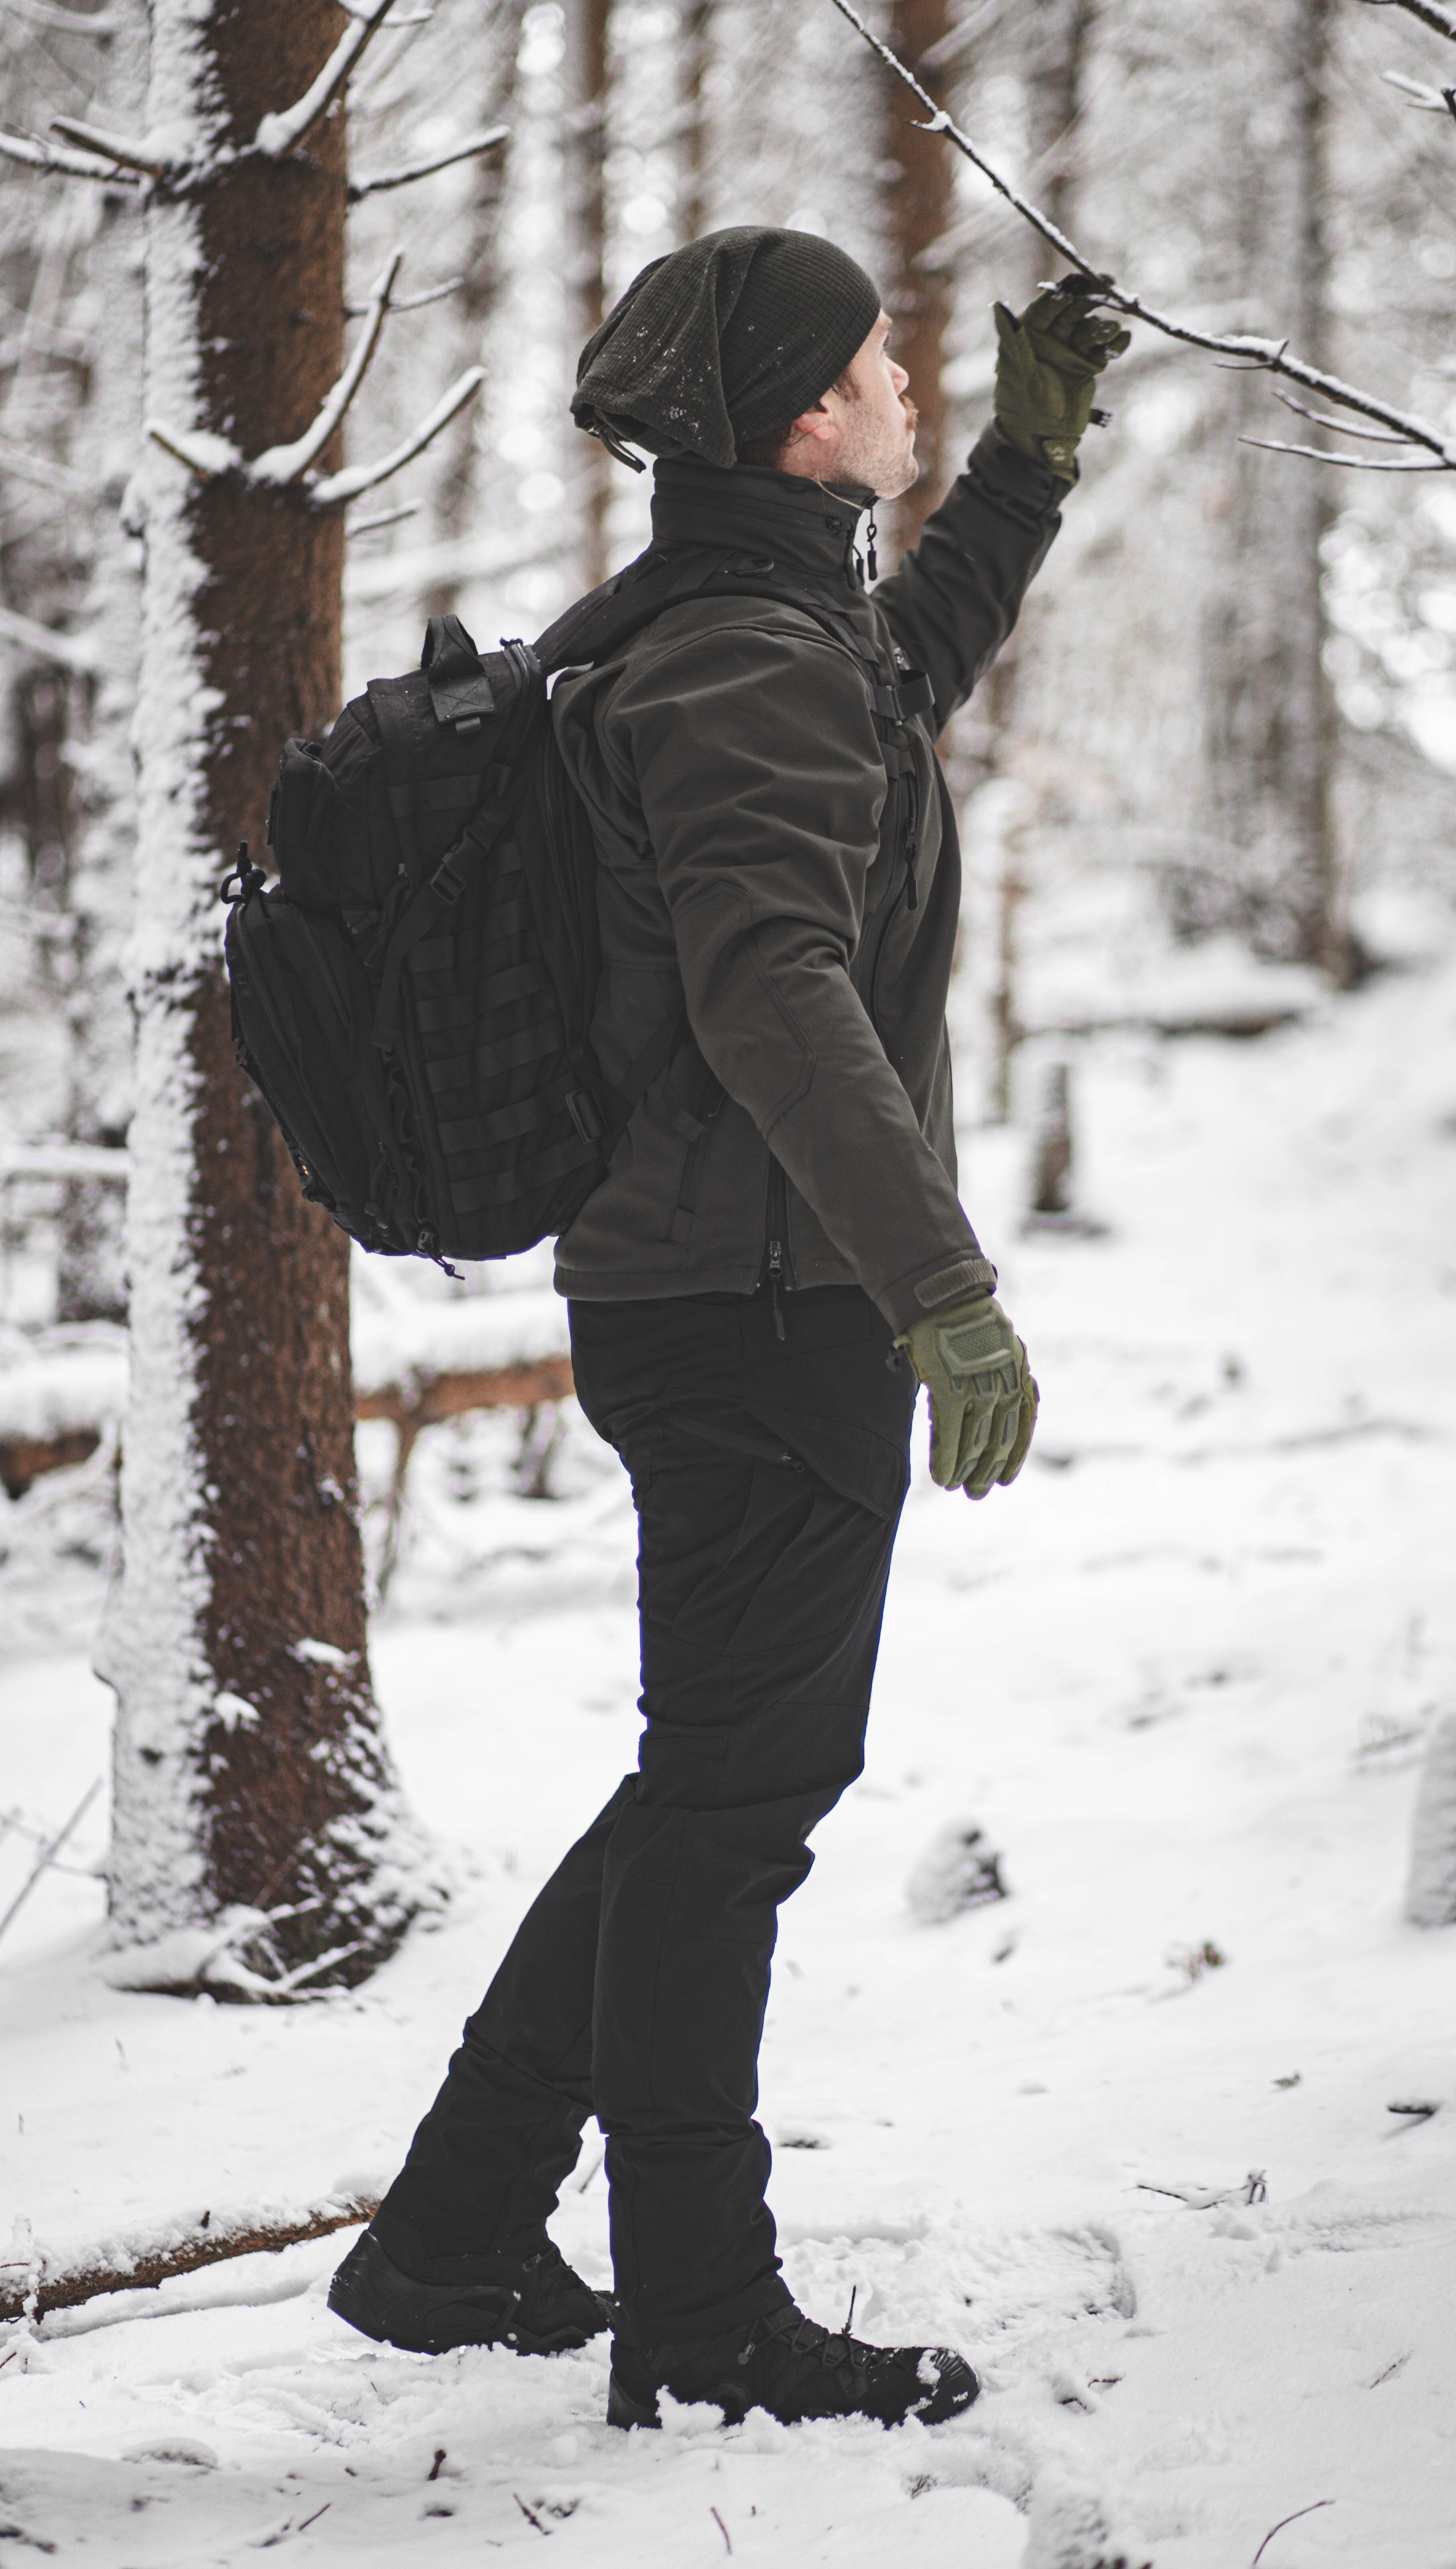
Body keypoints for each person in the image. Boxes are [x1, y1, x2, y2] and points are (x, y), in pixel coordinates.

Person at [329, 226, 1127, 2430]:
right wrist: (940, 1291)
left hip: (712, 1294)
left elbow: (898, 677)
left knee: (711, 1784)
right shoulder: (743, 660)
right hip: (760, 1308)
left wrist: (1031, 470)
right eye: (880, 368)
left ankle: (458, 2230)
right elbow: (772, 986)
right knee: (736, 1811)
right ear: (796, 417)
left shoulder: (727, 625)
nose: (904, 389)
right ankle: (701, 2309)